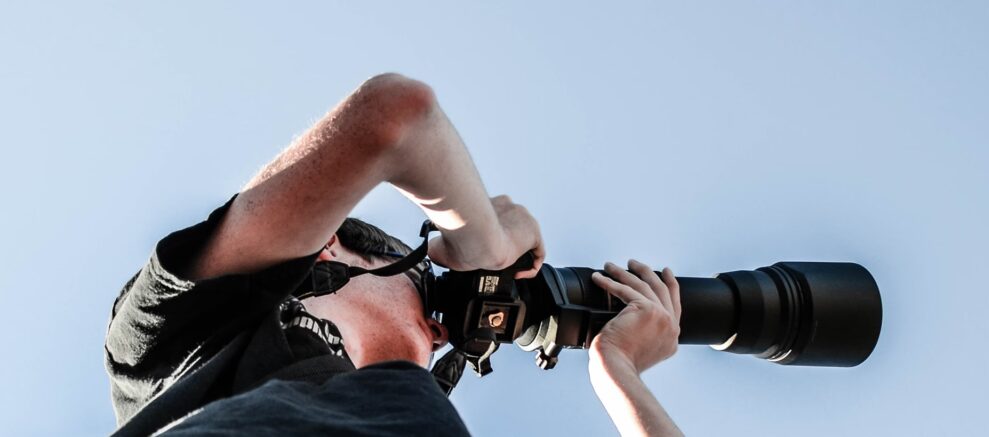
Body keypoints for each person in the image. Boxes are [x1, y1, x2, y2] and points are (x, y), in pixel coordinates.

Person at [105, 73, 684, 436]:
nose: (441, 333)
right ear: (329, 248)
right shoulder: (173, 348)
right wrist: (485, 242)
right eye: (425, 281)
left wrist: (618, 371)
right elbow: (395, 117)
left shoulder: (409, 409)